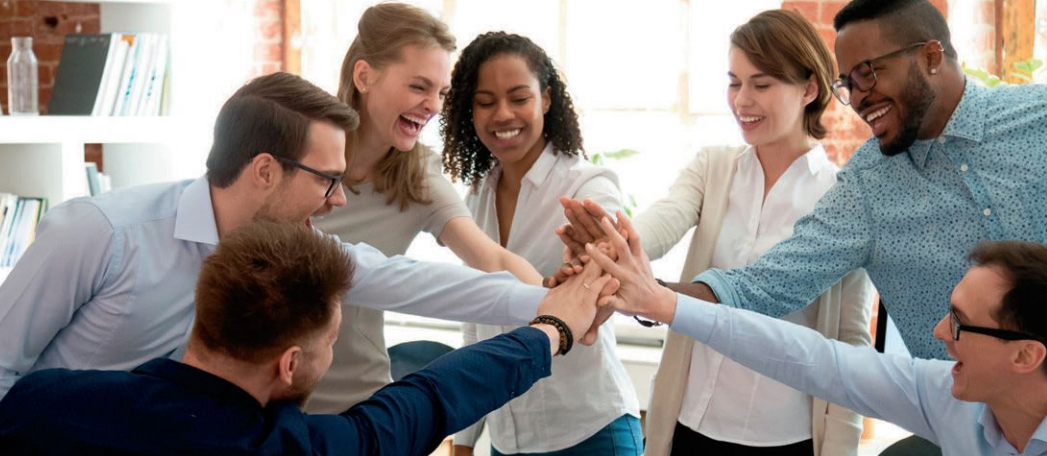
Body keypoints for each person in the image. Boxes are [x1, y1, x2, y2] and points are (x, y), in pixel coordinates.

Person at [558, 0, 1047, 442]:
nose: (857, 96)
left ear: (932, 56)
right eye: (848, 81)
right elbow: (764, 285)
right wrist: (648, 295)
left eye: (869, 72)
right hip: (976, 441)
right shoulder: (867, 184)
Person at [0, 71, 588, 412]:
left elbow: (416, 284)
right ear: (265, 171)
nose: (338, 200)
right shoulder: (97, 234)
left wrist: (550, 303)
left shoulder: (287, 251)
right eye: (328, 180)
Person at [0, 219, 617, 456]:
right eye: (331, 341)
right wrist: (554, 329)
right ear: (290, 363)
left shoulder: (40, 401)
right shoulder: (292, 449)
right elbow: (428, 398)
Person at [585, 213, 1047, 455]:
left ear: (1026, 354)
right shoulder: (949, 396)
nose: (940, 333)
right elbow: (809, 358)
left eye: (962, 325)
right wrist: (666, 304)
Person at [561, 10, 872, 456]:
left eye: (761, 84)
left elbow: (851, 345)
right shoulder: (714, 167)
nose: (742, 100)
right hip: (691, 424)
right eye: (734, 82)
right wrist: (609, 248)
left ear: (809, 88)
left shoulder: (840, 198)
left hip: (785, 437)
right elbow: (662, 222)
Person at [309, 2, 548, 414]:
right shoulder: (299, 150)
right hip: (270, 403)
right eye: (419, 87)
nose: (433, 106)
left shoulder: (417, 174)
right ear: (364, 76)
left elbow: (491, 257)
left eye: (441, 92)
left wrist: (554, 306)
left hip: (358, 407)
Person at [440, 31, 641, 456]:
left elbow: (610, 272)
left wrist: (594, 267)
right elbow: (475, 321)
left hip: (590, 431)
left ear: (546, 99)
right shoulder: (475, 196)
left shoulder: (588, 185)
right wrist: (463, 439)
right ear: (468, 110)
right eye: (486, 101)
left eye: (519, 97)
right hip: (509, 439)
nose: (503, 114)